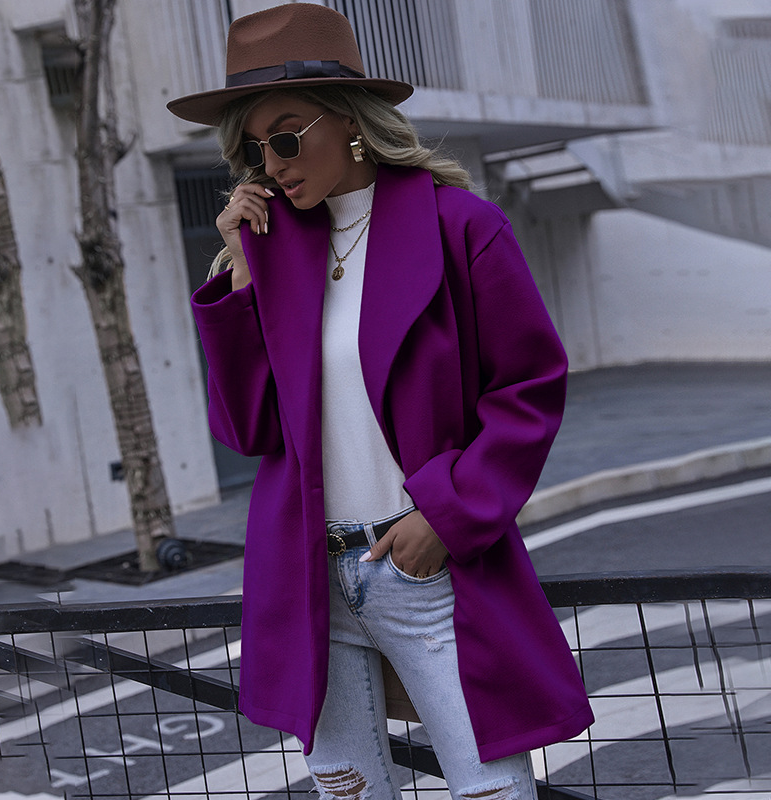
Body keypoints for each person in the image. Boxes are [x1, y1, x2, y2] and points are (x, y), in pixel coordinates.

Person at [168, 4, 593, 799]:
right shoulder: (273, 254)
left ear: (350, 121)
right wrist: (240, 280)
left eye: (286, 137)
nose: (273, 163)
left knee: (493, 791)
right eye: (253, 148)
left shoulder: (461, 228)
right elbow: (249, 428)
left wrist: (447, 517)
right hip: (308, 581)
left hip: (422, 570)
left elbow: (528, 389)